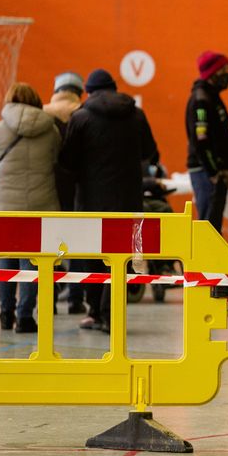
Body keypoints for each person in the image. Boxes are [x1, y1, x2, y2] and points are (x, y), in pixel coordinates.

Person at [59, 69, 158, 332]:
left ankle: (96, 313)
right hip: (128, 199)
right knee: (121, 257)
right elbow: (150, 151)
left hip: (91, 201)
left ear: (88, 91)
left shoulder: (80, 117)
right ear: (114, 88)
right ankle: (110, 313)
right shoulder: (136, 114)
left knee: (93, 257)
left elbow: (66, 161)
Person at [0, 83, 61, 333]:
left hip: (3, 206)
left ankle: (5, 313)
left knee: (6, 259)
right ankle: (25, 317)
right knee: (32, 261)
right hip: (40, 203)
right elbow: (56, 160)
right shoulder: (51, 130)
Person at [43, 71, 84, 313]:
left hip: (47, 188)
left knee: (49, 247)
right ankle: (75, 300)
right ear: (79, 91)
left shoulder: (42, 112)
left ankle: (49, 301)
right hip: (78, 189)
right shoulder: (83, 113)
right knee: (76, 245)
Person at [186, 51, 228, 233]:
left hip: (214, 171)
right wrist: (213, 172)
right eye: (224, 70)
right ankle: (202, 263)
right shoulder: (201, 100)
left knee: (213, 227)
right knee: (208, 229)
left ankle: (211, 262)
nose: (227, 74)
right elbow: (201, 140)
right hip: (206, 172)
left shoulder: (212, 97)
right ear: (212, 73)